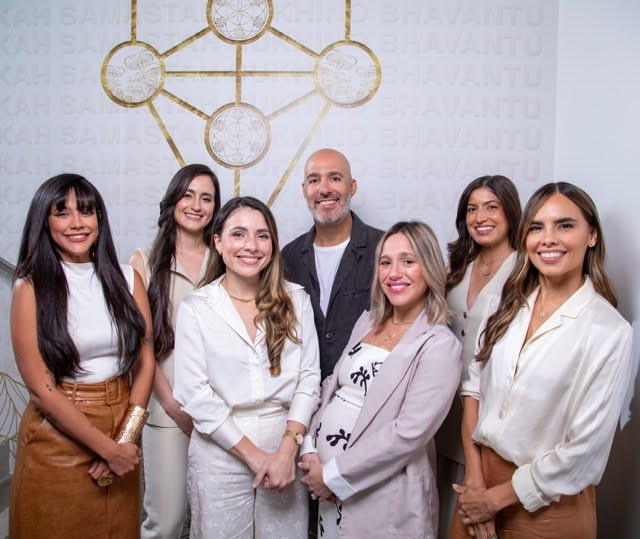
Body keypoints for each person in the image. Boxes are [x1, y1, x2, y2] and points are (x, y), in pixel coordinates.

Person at [450, 182, 633, 539]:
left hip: (547, 505)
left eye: (564, 225)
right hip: (478, 485)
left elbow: (584, 452)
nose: (548, 239)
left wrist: (495, 500)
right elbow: (473, 388)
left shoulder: (609, 330)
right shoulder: (503, 302)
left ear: (592, 235)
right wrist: (475, 479)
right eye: (536, 227)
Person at [9, 174, 155, 537]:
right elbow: (41, 388)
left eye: (86, 211)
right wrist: (107, 449)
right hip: (57, 436)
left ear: (99, 218)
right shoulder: (30, 286)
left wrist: (125, 439)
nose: (77, 223)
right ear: (44, 222)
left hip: (121, 424)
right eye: (62, 213)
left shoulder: (128, 279)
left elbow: (145, 359)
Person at [298, 221, 463, 538]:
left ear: (429, 268)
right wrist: (308, 448)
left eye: (408, 261)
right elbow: (332, 386)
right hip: (326, 488)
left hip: (381, 494)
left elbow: (408, 433)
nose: (394, 273)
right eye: (386, 262)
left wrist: (332, 476)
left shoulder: (440, 345)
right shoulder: (367, 321)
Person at [173, 196, 321, 538]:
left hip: (284, 443)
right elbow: (194, 393)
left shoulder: (296, 299)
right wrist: (254, 456)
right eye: (238, 234)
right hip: (220, 450)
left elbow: (309, 378)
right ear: (218, 242)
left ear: (273, 244)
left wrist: (286, 452)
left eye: (262, 235)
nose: (251, 246)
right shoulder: (197, 307)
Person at [129, 164, 221, 538]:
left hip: (223, 408)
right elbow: (141, 346)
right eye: (188, 195)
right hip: (167, 409)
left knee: (215, 520)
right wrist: (170, 403)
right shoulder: (144, 261)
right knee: (166, 520)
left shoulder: (227, 257)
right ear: (173, 200)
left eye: (206, 198)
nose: (196, 205)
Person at [435, 175, 521, 538]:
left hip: (491, 412)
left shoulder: (526, 270)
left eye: (491, 206)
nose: (480, 217)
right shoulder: (457, 266)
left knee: (482, 512)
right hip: (444, 409)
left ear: (510, 212)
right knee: (442, 510)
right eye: (472, 209)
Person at [282, 148, 383, 381]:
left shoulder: (384, 249)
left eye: (335, 178)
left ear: (352, 187)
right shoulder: (287, 257)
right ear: (304, 189)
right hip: (301, 392)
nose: (324, 189)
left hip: (364, 390)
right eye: (314, 180)